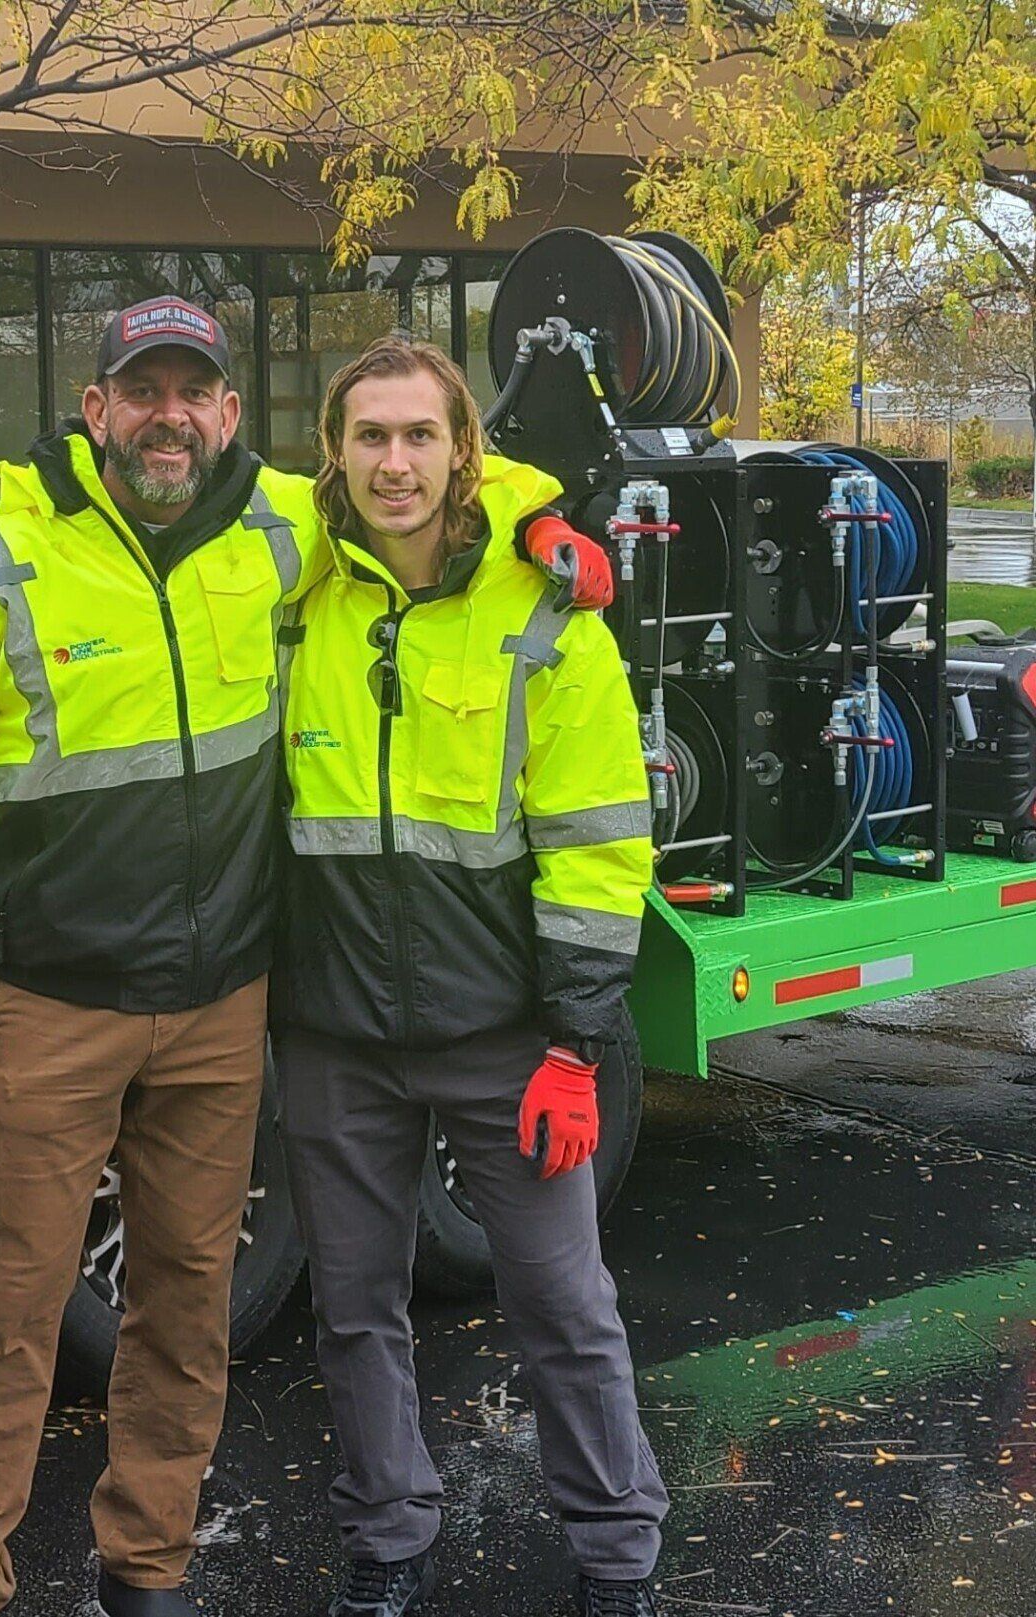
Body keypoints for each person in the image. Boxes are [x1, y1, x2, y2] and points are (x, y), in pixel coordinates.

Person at [0, 298, 612, 1617]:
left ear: (230, 415)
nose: (168, 417)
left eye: (192, 391)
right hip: (52, 1010)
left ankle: (147, 1570)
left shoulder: (276, 532)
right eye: (141, 391)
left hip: (219, 1011)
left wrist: (544, 529)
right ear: (96, 411)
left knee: (187, 1311)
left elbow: (426, 478)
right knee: (6, 1317)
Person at [272, 335, 669, 1617]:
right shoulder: (294, 596)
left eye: (419, 437)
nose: (395, 463)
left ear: (464, 453)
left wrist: (577, 1042)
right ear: (332, 453)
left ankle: (618, 1564)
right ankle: (389, 1546)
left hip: (506, 1038)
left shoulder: (549, 605)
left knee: (565, 1307)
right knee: (354, 1312)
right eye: (370, 437)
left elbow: (601, 844)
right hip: (335, 1033)